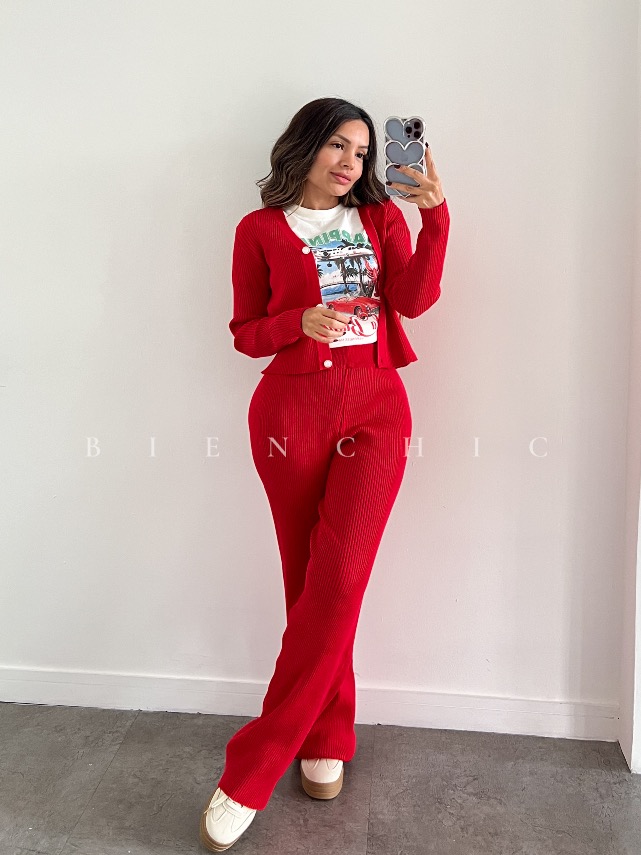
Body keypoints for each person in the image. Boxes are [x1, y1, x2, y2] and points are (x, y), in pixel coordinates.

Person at [200, 96, 450, 852]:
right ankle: (326, 737)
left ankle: (251, 768)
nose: (350, 163)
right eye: (338, 145)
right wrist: (297, 323)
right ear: (304, 147)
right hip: (290, 415)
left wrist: (434, 218)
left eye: (362, 152)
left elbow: (413, 300)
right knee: (307, 582)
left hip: (376, 409)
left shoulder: (380, 218)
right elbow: (246, 333)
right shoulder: (258, 230)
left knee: (338, 578)